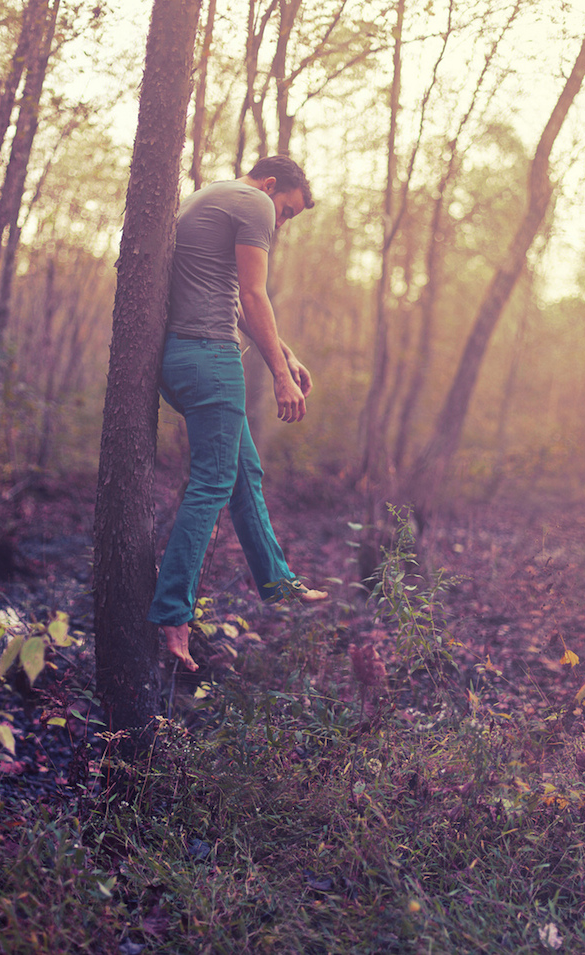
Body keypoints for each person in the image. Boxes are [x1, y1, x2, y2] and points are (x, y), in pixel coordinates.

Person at [148, 155, 327, 671]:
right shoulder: (254, 203)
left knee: (243, 472)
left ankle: (276, 579)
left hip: (183, 357)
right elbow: (253, 292)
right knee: (212, 482)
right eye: (288, 211)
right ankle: (173, 614)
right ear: (272, 185)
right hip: (210, 359)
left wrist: (286, 355)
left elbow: (229, 300)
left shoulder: (211, 196)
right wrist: (280, 376)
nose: (283, 222)